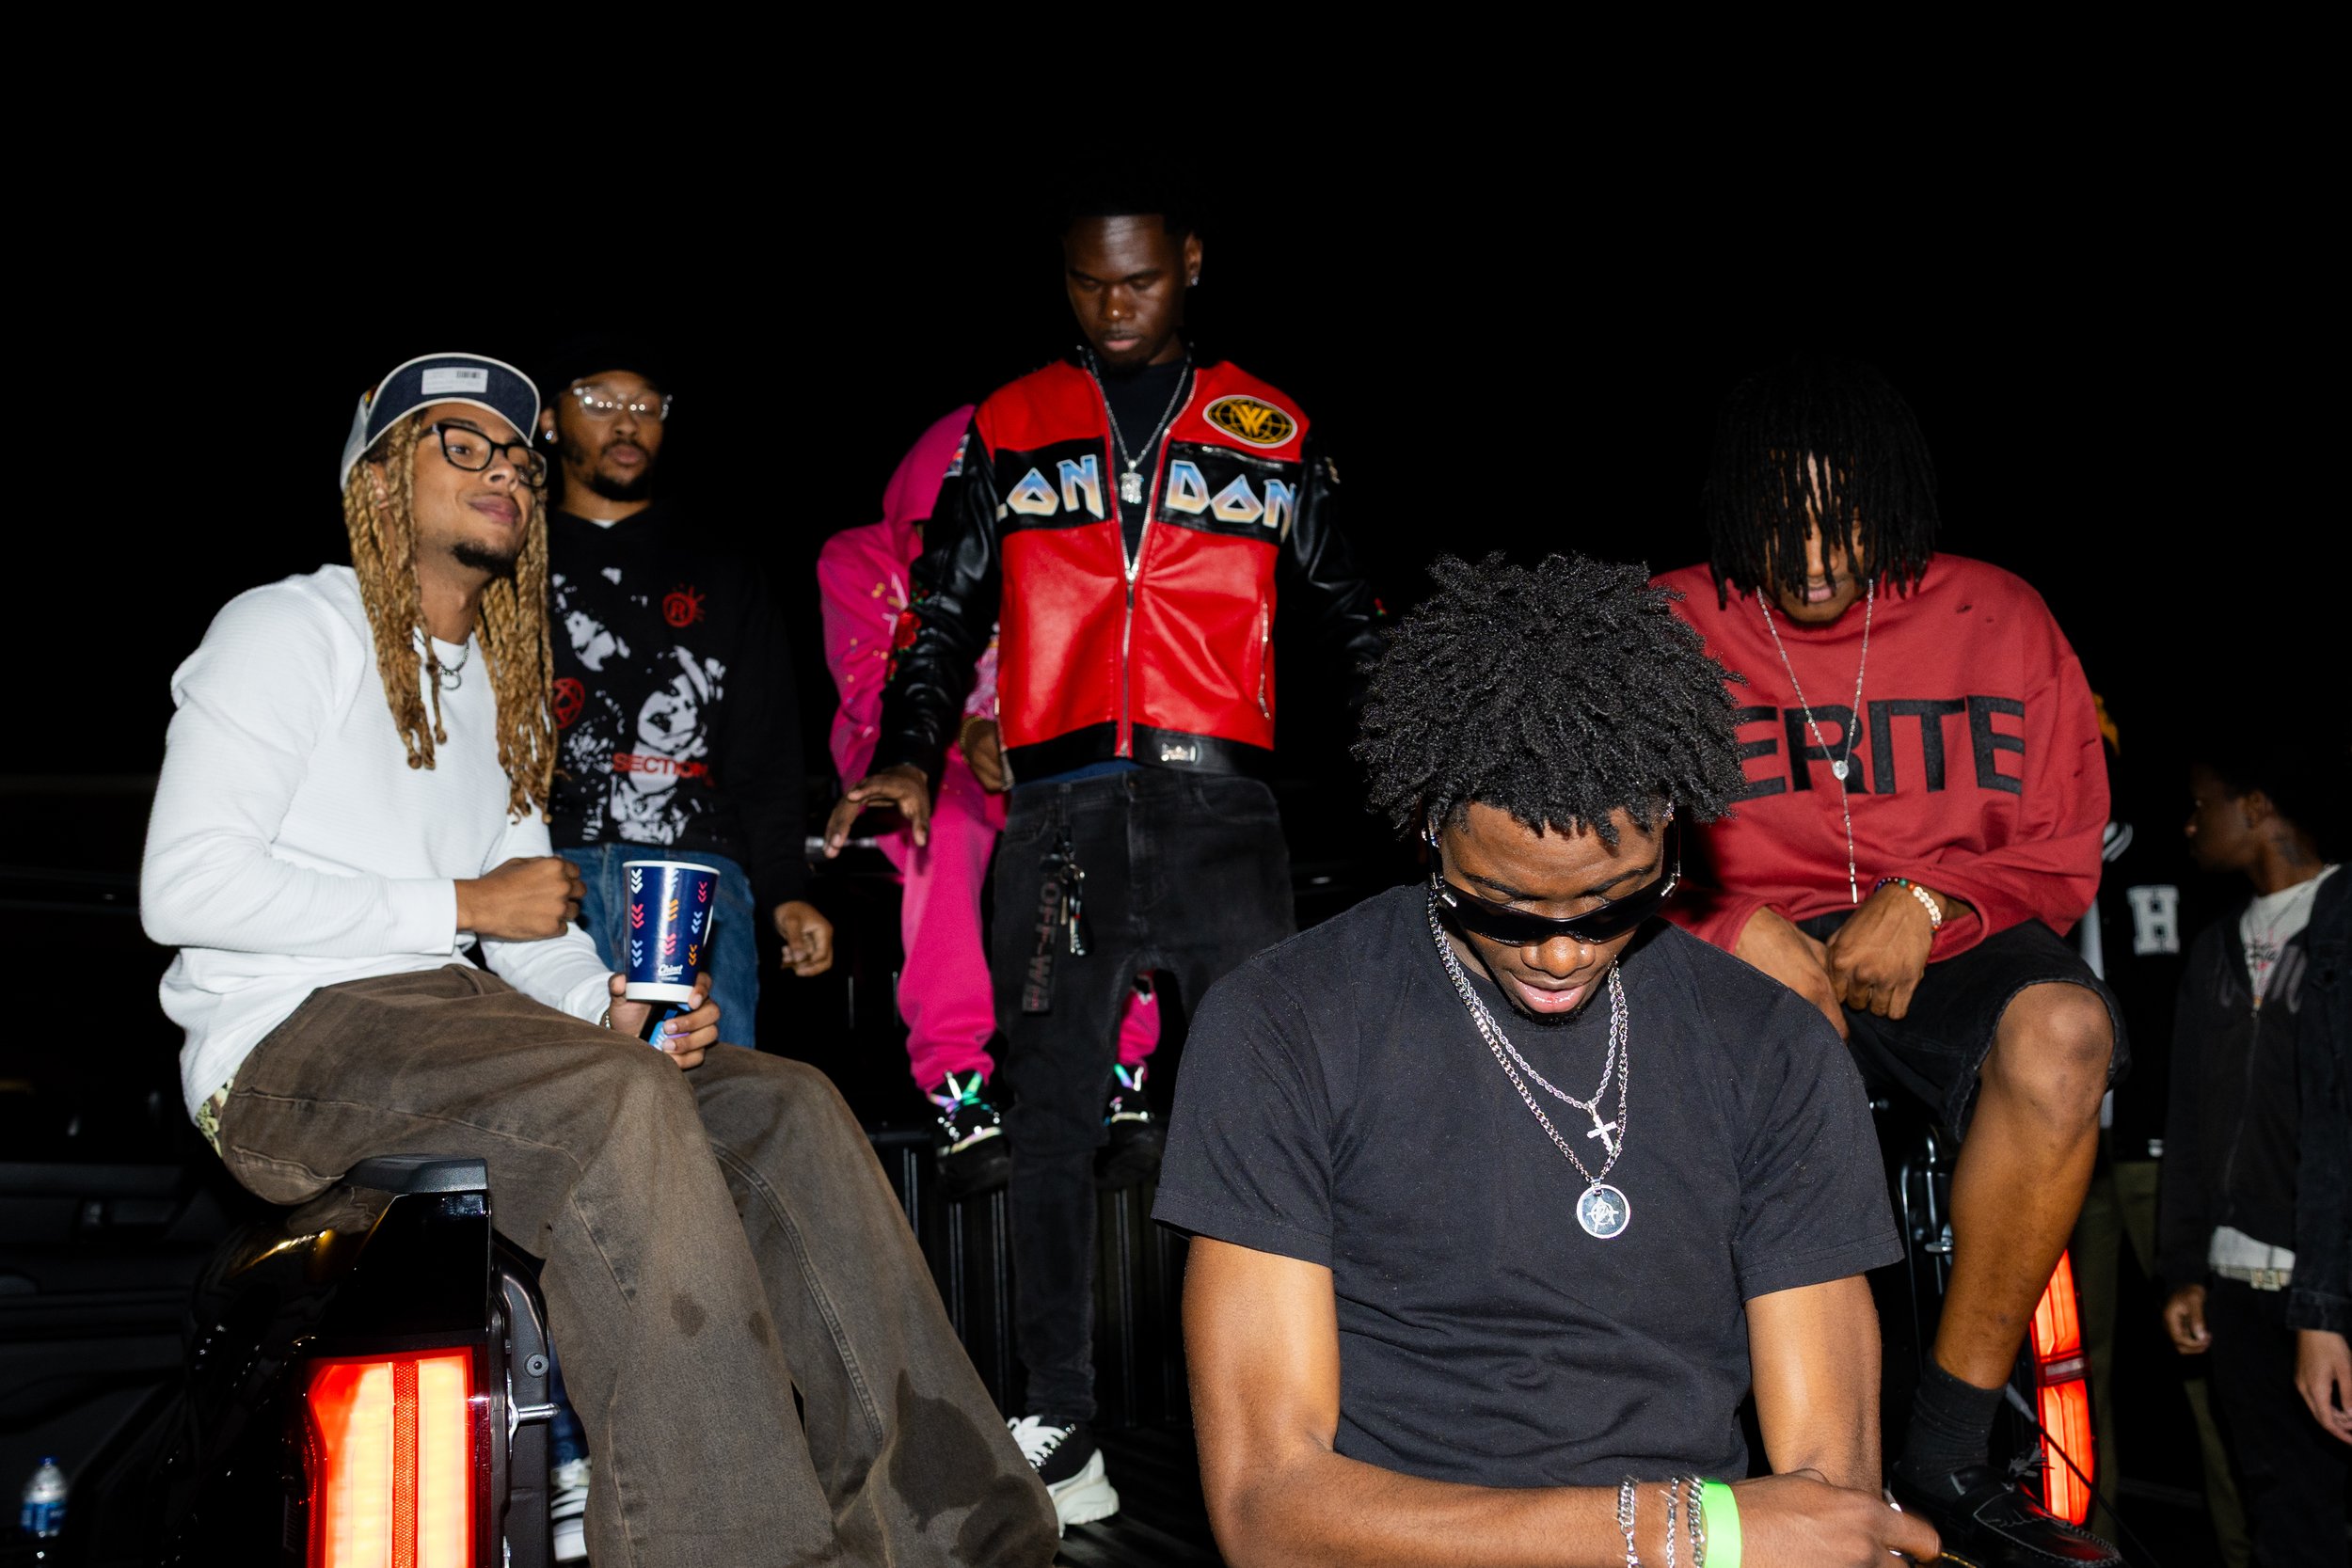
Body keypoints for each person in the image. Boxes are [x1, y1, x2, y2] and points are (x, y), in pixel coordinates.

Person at [140, 353, 1056, 1567]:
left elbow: (535, 939)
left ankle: (959, 1532)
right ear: (376, 478)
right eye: (457, 443)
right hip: (287, 1039)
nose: (503, 470)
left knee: (781, 1100)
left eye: (516, 456)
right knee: (615, 1099)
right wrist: (459, 900)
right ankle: (725, 1546)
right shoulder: (284, 626)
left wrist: (609, 1001)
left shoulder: (501, 685)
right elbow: (184, 888)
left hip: (459, 1018)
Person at [1152, 553, 1940, 1568]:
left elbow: (1830, 1493)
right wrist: (1675, 1528)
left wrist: (1721, 1536)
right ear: (1429, 829)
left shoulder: (1776, 1050)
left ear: (1670, 824)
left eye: (1613, 902)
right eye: (1504, 905)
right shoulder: (1281, 1025)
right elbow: (1269, 1507)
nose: (1562, 951)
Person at [823, 188, 1384, 1528]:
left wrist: (1421, 761)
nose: (1114, 306)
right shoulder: (1007, 426)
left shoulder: (1273, 424)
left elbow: (1351, 615)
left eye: (1137, 281)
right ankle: (1060, 1412)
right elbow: (945, 607)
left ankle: (1330, 1399)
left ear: (1190, 264)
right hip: (1061, 816)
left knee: (1282, 1109)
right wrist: (908, 751)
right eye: (1087, 284)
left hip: (1223, 811)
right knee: (1056, 1118)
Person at [1652, 355, 2122, 1567]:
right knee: (1770, 1036)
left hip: (1949, 933)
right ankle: (1765, 1453)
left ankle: (1950, 1446)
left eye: (1844, 517)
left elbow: (2063, 845)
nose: (1810, 555)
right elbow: (1579, 837)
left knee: (2067, 1032)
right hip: (1734, 939)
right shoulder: (1668, 623)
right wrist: (1719, 918)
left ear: (1899, 501)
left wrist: (1928, 896)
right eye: (1779, 517)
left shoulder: (2001, 615)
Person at [818, 408, 1163, 1197]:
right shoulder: (857, 560)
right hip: (907, 762)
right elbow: (873, 692)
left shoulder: (1057, 557)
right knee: (941, 829)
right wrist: (965, 734)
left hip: (1032, 758)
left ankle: (1122, 1069)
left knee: (1105, 810)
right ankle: (958, 1093)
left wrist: (1030, 738)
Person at [536, 336, 832, 1044]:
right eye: (601, 401)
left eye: (646, 404)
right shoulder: (510, 556)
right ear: (549, 419)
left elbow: (766, 749)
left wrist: (788, 890)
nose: (627, 421)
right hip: (545, 872)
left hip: (692, 870)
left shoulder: (724, 568)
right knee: (559, 1108)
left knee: (711, 1107)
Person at [2158, 740, 2349, 1565]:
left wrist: (2323, 1307)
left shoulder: (2344, 919)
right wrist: (2184, 1267)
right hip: (2237, 1287)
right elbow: (2189, 1115)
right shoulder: (2213, 948)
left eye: (2205, 804)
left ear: (2259, 806)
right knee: (2282, 1515)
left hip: (2330, 1289)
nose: (2191, 823)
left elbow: (2341, 1127)